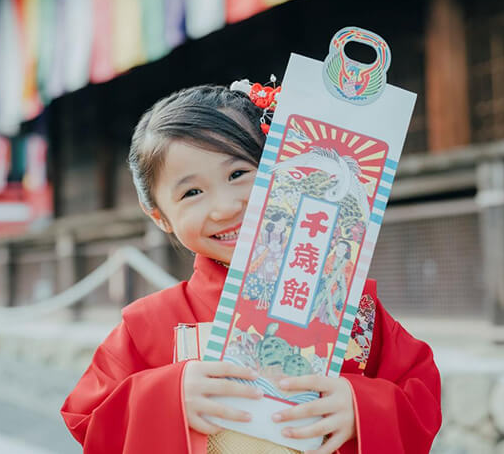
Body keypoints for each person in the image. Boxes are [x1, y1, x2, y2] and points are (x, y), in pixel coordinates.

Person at [60, 85, 442, 454]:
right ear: (159, 216)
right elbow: (86, 420)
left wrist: (360, 407)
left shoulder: (350, 309)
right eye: (192, 192)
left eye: (239, 173)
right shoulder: (148, 325)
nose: (225, 206)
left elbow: (418, 393)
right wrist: (167, 393)